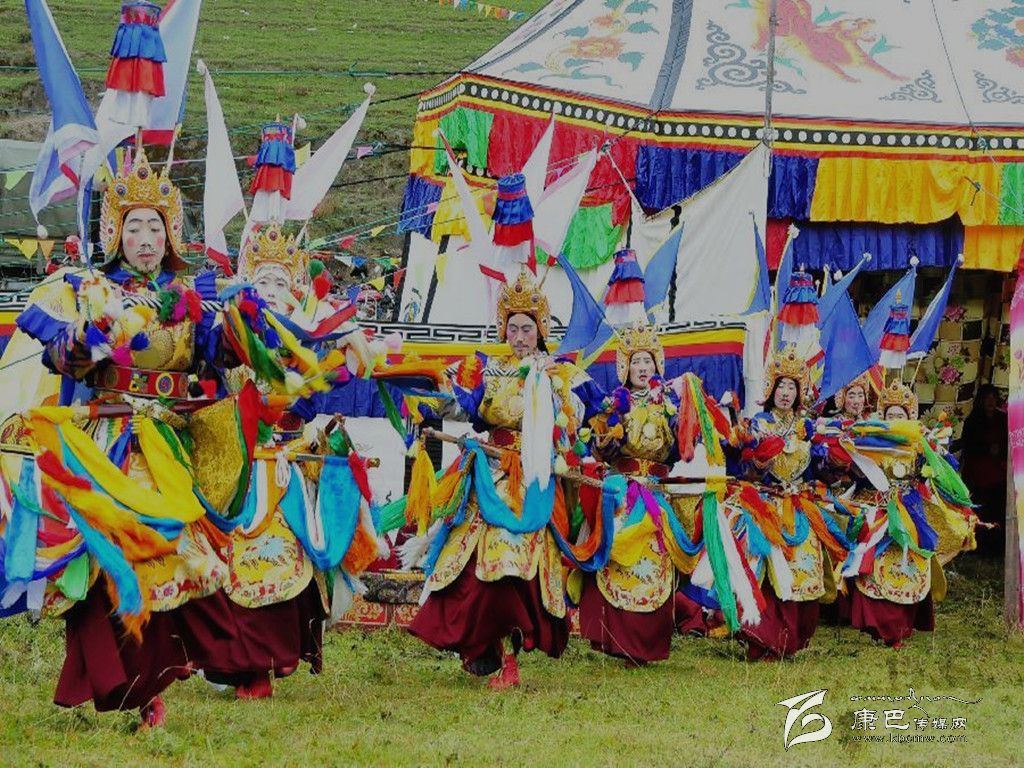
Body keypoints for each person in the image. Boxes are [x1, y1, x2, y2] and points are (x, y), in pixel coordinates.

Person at [4, 150, 241, 727]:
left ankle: (158, 677)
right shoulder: (85, 291)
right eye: (133, 227)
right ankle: (120, 678)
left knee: (173, 552)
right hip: (105, 440)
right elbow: (60, 357)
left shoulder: (191, 299)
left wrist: (249, 322)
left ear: (170, 234)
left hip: (169, 444)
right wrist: (93, 333)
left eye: (155, 227)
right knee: (106, 555)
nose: (145, 239)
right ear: (114, 233)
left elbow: (218, 359)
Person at [406, 269, 597, 689]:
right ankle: (481, 646)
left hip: (534, 479)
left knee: (514, 566)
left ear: (541, 329)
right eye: (513, 329)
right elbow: (467, 407)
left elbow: (583, 415)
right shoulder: (489, 369)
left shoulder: (559, 371)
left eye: (527, 328)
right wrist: (433, 396)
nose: (520, 337)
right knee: (470, 561)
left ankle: (510, 658)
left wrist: (555, 391)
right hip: (490, 472)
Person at [579, 324, 690, 664]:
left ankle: (649, 643)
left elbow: (681, 448)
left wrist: (689, 425)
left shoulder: (669, 403)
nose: (643, 368)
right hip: (622, 493)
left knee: (657, 562)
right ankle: (615, 639)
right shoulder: (613, 403)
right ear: (625, 367)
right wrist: (604, 443)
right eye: (636, 361)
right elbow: (597, 447)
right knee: (616, 557)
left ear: (658, 365)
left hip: (656, 495)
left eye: (648, 361)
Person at [837, 379, 978, 647]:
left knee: (908, 563)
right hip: (879, 510)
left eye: (899, 415)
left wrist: (934, 452)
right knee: (871, 562)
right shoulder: (871, 441)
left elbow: (938, 470)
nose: (895, 419)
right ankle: (876, 622)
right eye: (890, 415)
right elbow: (858, 474)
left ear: (909, 416)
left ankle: (902, 623)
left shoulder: (919, 443)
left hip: (909, 513)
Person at [733, 345, 849, 659]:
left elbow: (821, 473)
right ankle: (764, 637)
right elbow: (745, 470)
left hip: (799, 508)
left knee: (803, 568)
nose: (785, 393)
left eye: (792, 388)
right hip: (765, 507)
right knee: (765, 569)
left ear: (799, 393)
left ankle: (792, 637)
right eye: (781, 386)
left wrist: (834, 461)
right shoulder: (758, 424)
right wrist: (757, 459)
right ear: (771, 389)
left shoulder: (808, 428)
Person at [960, 384, 1007, 557]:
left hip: (999, 471)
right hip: (978, 471)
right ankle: (978, 546)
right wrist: (987, 449)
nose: (990, 401)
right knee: (981, 508)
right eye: (987, 398)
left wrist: (1000, 453)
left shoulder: (1003, 419)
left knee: (999, 507)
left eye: (993, 397)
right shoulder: (973, 420)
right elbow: (968, 446)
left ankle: (997, 547)